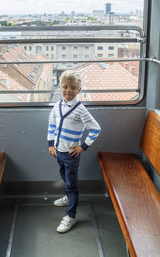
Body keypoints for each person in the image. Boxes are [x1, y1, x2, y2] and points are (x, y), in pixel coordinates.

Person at [47, 70, 101, 233]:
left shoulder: (80, 110)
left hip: (71, 155)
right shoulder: (57, 106)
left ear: (79, 90)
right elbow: (51, 124)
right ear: (60, 88)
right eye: (65, 87)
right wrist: (51, 144)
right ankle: (69, 197)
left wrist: (83, 146)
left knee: (71, 184)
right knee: (64, 177)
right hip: (58, 152)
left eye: (72, 87)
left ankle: (70, 215)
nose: (68, 90)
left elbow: (96, 129)